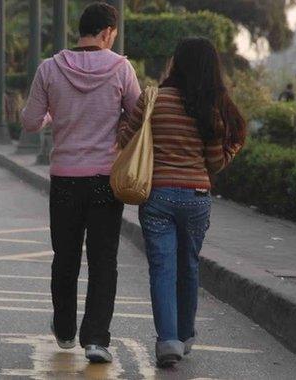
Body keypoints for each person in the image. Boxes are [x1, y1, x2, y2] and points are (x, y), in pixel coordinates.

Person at [21, 2, 141, 364]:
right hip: (106, 179)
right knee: (104, 259)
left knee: (66, 256)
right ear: (107, 32)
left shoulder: (49, 68)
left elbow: (30, 122)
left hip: (65, 179)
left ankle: (64, 329)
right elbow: (137, 115)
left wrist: (52, 116)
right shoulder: (121, 68)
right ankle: (96, 339)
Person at [118, 37, 247, 368]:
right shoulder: (212, 108)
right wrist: (231, 150)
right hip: (196, 197)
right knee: (188, 265)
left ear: (176, 63)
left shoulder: (153, 99)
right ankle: (186, 333)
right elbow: (215, 164)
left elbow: (124, 139)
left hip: (157, 195)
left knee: (162, 267)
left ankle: (168, 341)